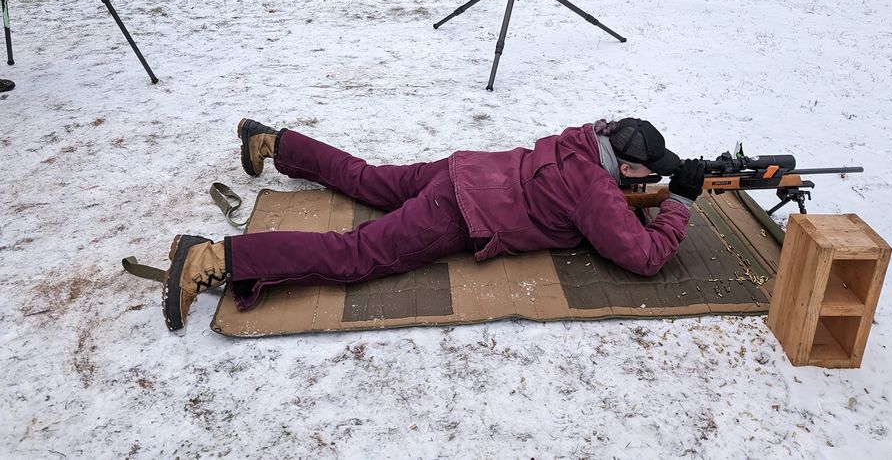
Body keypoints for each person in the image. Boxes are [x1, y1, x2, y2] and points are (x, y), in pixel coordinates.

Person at [162, 117, 706, 331]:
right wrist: (678, 202)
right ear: (626, 169)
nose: (648, 179)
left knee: (365, 177)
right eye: (646, 173)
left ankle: (272, 142)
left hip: (461, 170)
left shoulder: (584, 139)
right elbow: (645, 257)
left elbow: (598, 192)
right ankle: (214, 259)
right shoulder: (595, 193)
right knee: (354, 255)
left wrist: (648, 188)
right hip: (459, 214)